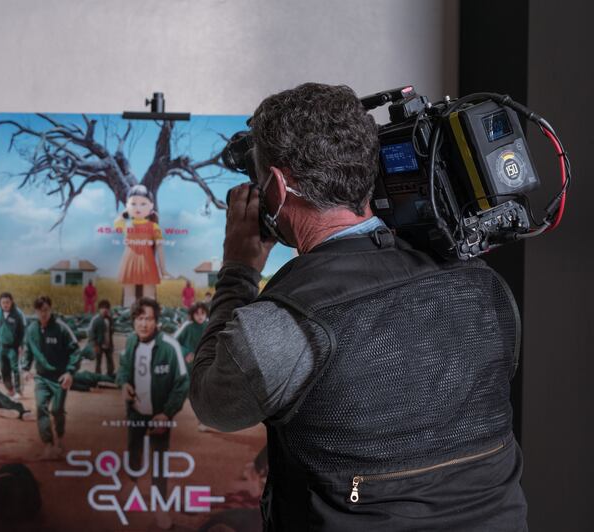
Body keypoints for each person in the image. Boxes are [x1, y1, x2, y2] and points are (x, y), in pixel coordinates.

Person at [189, 83, 526, 530]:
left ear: (279, 185)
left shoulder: (284, 324)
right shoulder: (486, 288)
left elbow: (214, 403)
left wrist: (238, 269)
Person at [116, 297, 189, 530]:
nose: (144, 324)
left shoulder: (170, 346)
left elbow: (182, 382)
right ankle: (132, 485)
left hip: (159, 415)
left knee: (159, 460)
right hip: (136, 411)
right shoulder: (129, 342)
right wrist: (123, 384)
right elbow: (123, 371)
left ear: (156, 321)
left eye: (148, 319)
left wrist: (167, 413)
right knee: (133, 450)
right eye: (139, 318)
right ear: (133, 321)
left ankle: (160, 506)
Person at [23, 295, 81, 460]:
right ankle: (48, 444)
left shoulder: (61, 328)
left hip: (59, 378)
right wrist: (26, 368)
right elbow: (28, 349)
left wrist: (70, 372)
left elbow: (75, 351)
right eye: (40, 311)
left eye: (46, 310)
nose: (43, 314)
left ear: (50, 309)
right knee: (41, 407)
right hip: (41, 377)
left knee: (56, 410)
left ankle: (60, 438)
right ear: (35, 311)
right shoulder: (32, 330)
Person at [115, 184, 171, 307]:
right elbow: (117, 224)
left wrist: (163, 270)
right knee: (129, 296)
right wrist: (124, 214)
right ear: (127, 205)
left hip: (148, 262)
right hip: (129, 261)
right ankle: (129, 319)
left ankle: (149, 317)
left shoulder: (154, 227)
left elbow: (160, 249)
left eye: (143, 204)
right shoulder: (126, 225)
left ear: (151, 206)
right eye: (133, 204)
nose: (138, 207)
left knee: (149, 296)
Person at [0, 292, 26, 399]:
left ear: (11, 302)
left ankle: (18, 391)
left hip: (13, 347)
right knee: (3, 369)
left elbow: (22, 331)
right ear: (0, 303)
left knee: (15, 369)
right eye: (3, 302)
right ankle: (10, 389)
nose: (5, 305)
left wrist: (20, 345)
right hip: (2, 347)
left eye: (7, 302)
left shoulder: (17, 315)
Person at [174, 302, 209, 372]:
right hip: (189, 361)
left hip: (204, 359)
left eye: (202, 313)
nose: (200, 316)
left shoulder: (208, 326)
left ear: (206, 314)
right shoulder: (188, 326)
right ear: (192, 314)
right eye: (197, 314)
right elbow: (174, 342)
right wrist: (186, 353)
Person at [88, 299, 115, 376]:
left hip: (108, 344)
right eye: (102, 308)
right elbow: (92, 333)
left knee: (110, 360)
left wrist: (111, 343)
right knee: (98, 361)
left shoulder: (110, 319)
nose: (104, 310)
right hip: (99, 344)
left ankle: (110, 375)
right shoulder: (96, 320)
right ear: (99, 309)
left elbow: (112, 331)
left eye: (106, 308)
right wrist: (95, 345)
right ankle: (97, 376)